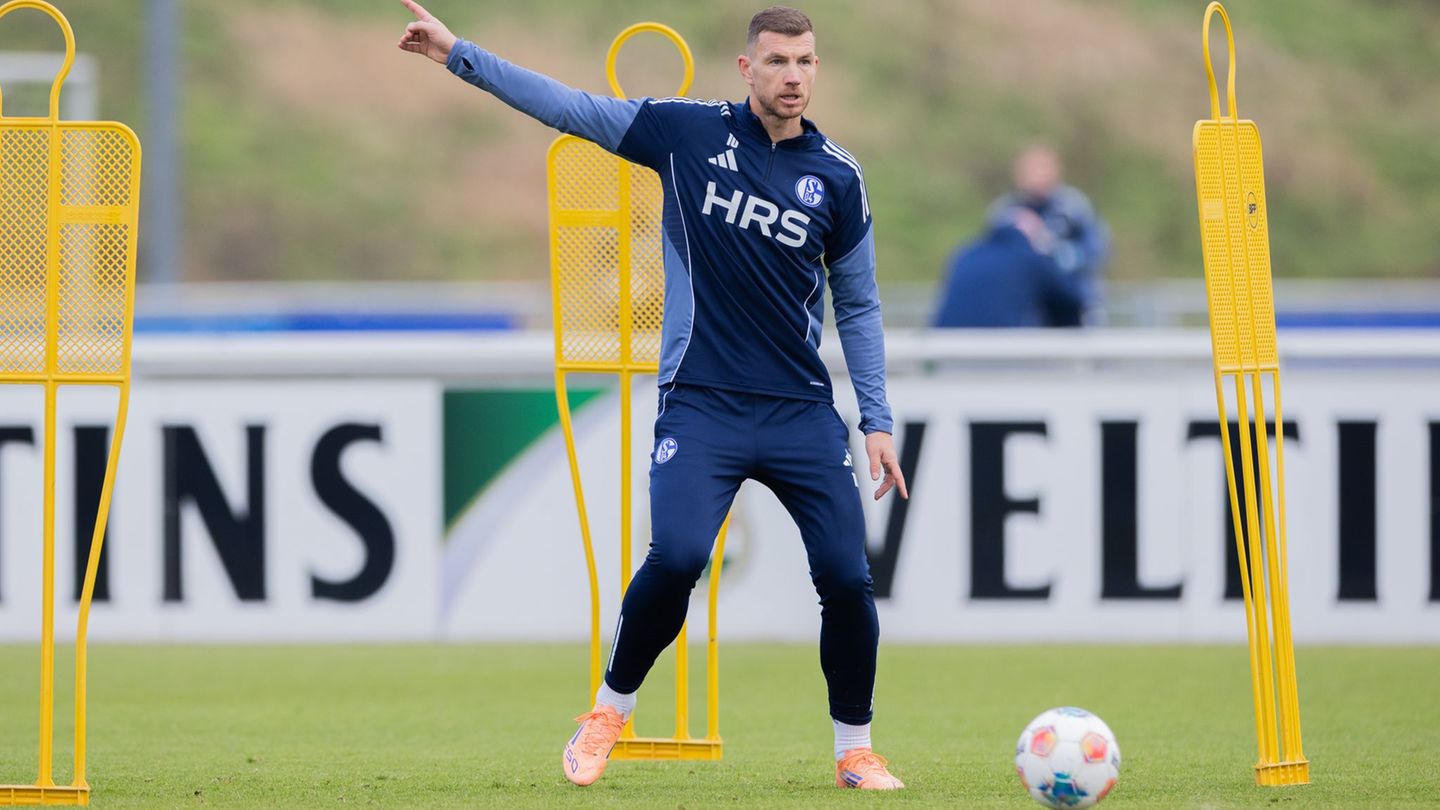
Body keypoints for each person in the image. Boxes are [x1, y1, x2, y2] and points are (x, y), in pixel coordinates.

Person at [398, 1, 909, 791]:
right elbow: (567, 106)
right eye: (777, 61)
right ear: (747, 69)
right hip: (702, 401)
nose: (793, 76)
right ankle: (607, 712)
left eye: (806, 61)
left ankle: (854, 750)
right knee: (675, 558)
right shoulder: (686, 134)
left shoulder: (838, 176)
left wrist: (875, 419)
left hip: (801, 411)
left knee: (846, 577)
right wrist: (457, 54)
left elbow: (861, 303)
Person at [986, 145, 1109, 324]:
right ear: (1018, 174)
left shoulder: (1075, 207)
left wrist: (1057, 257)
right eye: (1032, 169)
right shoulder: (1004, 213)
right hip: (1027, 309)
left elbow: (1096, 250)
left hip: (1074, 305)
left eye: (1044, 167)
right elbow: (990, 260)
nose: (1039, 174)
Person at [932, 208, 1086, 328]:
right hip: (997, 358)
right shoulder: (1029, 258)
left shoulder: (965, 254)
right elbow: (1071, 301)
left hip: (945, 353)